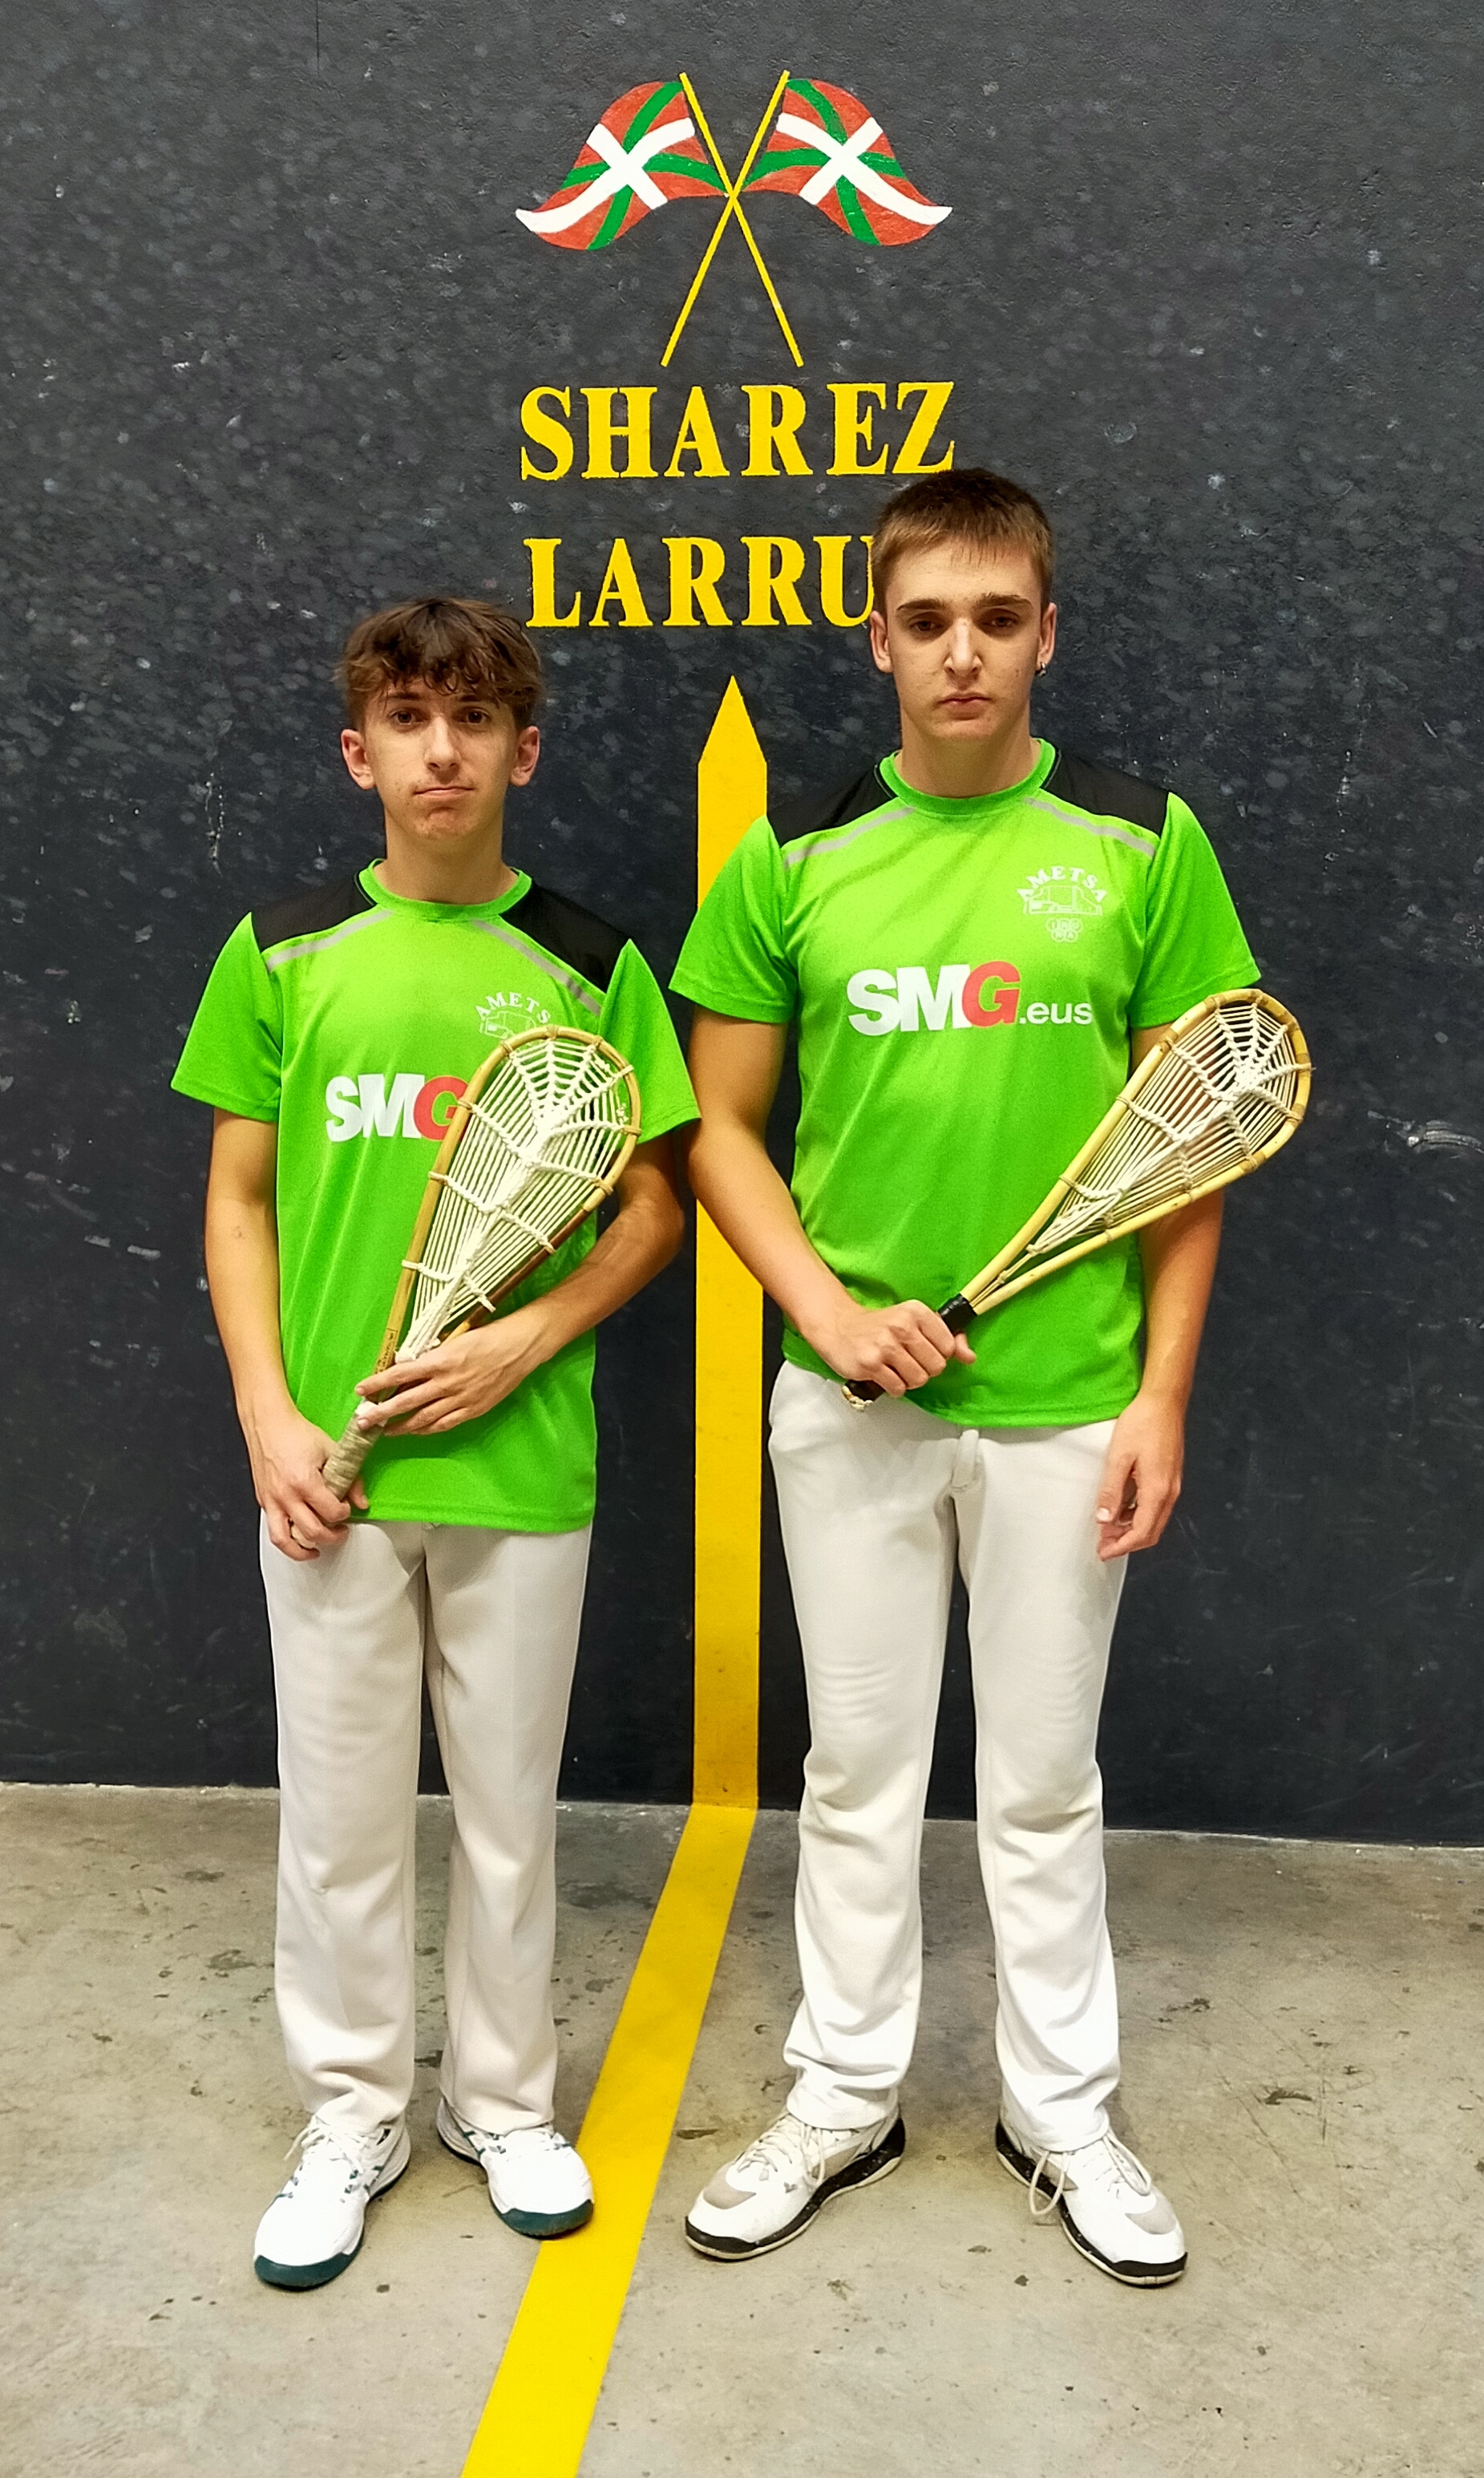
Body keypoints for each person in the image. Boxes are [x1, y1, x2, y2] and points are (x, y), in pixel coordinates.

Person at [671, 470, 1259, 2286]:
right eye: (926, 620)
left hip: (1068, 1400)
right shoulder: (795, 856)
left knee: (1043, 1779)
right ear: (878, 641)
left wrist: (1160, 1396)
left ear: (1045, 634)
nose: (962, 654)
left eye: (997, 619)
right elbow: (717, 1125)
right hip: (850, 1403)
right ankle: (843, 2094)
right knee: (855, 1767)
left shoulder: (1140, 844)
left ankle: (1059, 2111)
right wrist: (827, 1316)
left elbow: (1191, 1142)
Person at [172, 597, 696, 2290]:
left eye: (473, 720)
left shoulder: (592, 963)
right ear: (360, 753)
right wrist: (269, 1420)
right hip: (325, 1480)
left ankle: (502, 2103)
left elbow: (651, 1207)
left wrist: (528, 1338)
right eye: (408, 719)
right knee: (335, 1821)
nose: (442, 750)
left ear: (522, 751)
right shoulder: (284, 952)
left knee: (507, 1815)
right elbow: (237, 1203)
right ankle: (350, 2115)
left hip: (519, 1466)